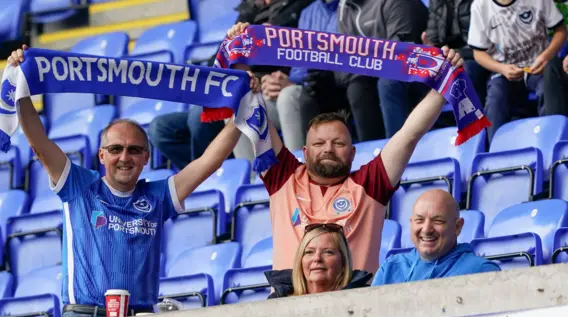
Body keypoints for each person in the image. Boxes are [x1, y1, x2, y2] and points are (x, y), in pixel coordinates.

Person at [6, 45, 259, 317]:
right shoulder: (78, 185)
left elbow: (208, 161)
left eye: (134, 150)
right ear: (102, 155)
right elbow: (39, 143)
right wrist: (21, 84)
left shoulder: (158, 196)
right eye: (115, 149)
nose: (124, 157)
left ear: (146, 158)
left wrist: (241, 110)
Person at [219, 20, 467, 274]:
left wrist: (443, 83)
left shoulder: (370, 185)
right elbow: (249, 107)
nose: (328, 149)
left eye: (338, 143)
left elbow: (409, 135)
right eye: (318, 143)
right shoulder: (283, 177)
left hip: (353, 305)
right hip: (289, 304)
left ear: (352, 152)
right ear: (304, 152)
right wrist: (240, 52)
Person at [148, 0, 313, 169]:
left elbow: (283, 54)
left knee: (199, 115)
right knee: (160, 128)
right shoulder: (248, 11)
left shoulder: (297, 8)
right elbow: (218, 60)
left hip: (262, 87)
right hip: (231, 87)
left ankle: (213, 174)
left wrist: (248, 53)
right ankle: (213, 175)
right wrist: (233, 48)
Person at [468, 0, 567, 141]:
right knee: (495, 98)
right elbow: (478, 53)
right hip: (504, 70)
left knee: (548, 89)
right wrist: (501, 68)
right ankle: (496, 154)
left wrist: (546, 56)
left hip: (538, 67)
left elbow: (560, 30)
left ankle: (553, 144)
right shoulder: (480, 6)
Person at [337, 0, 430, 140]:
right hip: (375, 69)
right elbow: (344, 59)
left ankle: (398, 147)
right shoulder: (344, 7)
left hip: (417, 66)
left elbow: (400, 52)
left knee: (388, 82)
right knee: (357, 88)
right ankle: (371, 153)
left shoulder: (396, 3)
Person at [372, 190, 501, 286]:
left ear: (457, 227)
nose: (427, 229)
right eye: (419, 220)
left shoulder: (482, 272)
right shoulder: (390, 268)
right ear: (411, 223)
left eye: (438, 221)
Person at [261, 0, 341, 152]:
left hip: (336, 91)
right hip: (306, 88)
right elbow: (298, 68)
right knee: (246, 107)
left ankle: (298, 170)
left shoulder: (350, 7)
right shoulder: (308, 13)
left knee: (289, 96)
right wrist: (280, 82)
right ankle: (253, 175)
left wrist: (293, 86)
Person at [265, 223, 372, 298]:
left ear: (343, 262)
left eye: (328, 252)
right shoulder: (278, 300)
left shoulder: (364, 296)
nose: (317, 259)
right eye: (309, 252)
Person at [421, 0, 490, 107]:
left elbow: (484, 38)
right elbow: (433, 36)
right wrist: (430, 46)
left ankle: (475, 118)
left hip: (476, 52)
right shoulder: (436, 1)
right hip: (451, 52)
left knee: (464, 69)